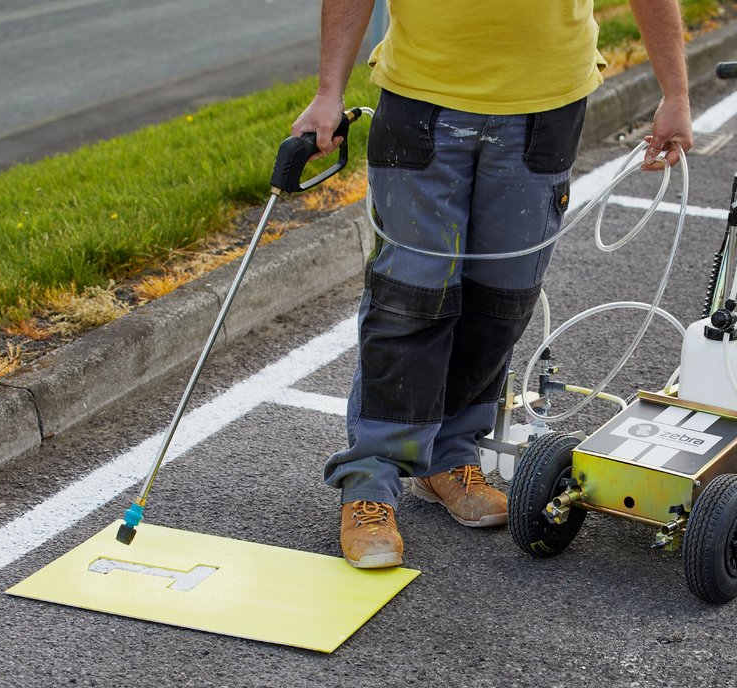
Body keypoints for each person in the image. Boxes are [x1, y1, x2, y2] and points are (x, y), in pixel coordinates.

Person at [292, 0, 694, 569]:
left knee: (499, 301)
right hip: (423, 100)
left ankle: (449, 458)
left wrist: (674, 93)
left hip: (544, 109)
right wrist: (328, 90)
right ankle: (370, 483)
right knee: (410, 300)